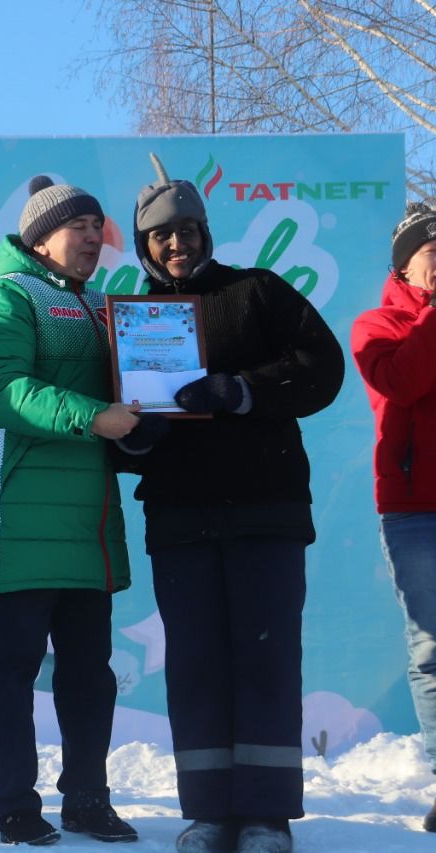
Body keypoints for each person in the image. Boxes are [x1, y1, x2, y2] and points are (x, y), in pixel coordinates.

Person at [123, 155, 343, 853]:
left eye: (188, 229)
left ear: (206, 232)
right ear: (144, 246)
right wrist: (136, 434)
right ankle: (210, 811)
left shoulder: (257, 292)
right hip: (181, 519)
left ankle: (267, 814)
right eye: (162, 235)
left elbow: (322, 368)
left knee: (265, 659)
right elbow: (112, 427)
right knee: (194, 665)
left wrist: (238, 389)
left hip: (266, 511)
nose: (178, 244)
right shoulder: (129, 320)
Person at [0, 175, 148, 847]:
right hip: (16, 512)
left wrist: (152, 414)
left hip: (88, 521)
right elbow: (1, 390)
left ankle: (87, 798)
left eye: (99, 228)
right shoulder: (6, 294)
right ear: (41, 237)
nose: (94, 238)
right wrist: (93, 416)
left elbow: (139, 389)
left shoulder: (106, 304)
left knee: (89, 673)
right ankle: (16, 802)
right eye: (81, 227)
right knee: (13, 669)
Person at [351, 201, 436, 834]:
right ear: (404, 264)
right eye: (434, 251)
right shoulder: (376, 324)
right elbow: (403, 383)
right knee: (432, 646)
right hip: (414, 509)